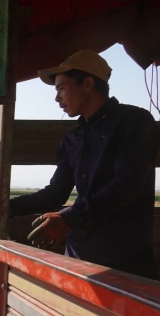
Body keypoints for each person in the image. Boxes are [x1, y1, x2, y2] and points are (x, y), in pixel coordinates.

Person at [9, 50, 160, 280]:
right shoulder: (73, 138)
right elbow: (55, 194)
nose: (57, 98)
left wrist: (69, 218)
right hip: (78, 257)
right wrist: (6, 207)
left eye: (61, 88)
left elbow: (127, 184)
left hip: (124, 260)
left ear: (88, 84)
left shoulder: (134, 121)